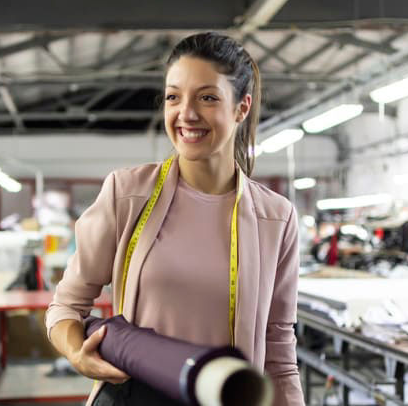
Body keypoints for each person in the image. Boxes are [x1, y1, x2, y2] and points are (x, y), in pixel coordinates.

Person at [46, 32, 304, 406]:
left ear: (241, 108)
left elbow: (278, 348)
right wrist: (76, 353)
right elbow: (66, 307)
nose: (186, 113)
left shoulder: (275, 218)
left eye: (208, 97)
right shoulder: (127, 194)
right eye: (173, 96)